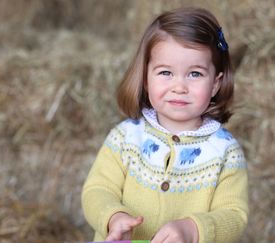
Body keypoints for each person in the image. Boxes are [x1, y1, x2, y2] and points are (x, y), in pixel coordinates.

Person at [81, 7, 249, 243]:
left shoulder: (225, 152)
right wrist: (113, 217)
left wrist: (193, 229)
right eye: (166, 72)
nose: (179, 86)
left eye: (195, 74)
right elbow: (97, 190)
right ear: (146, 78)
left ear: (215, 84)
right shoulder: (125, 137)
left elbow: (234, 215)